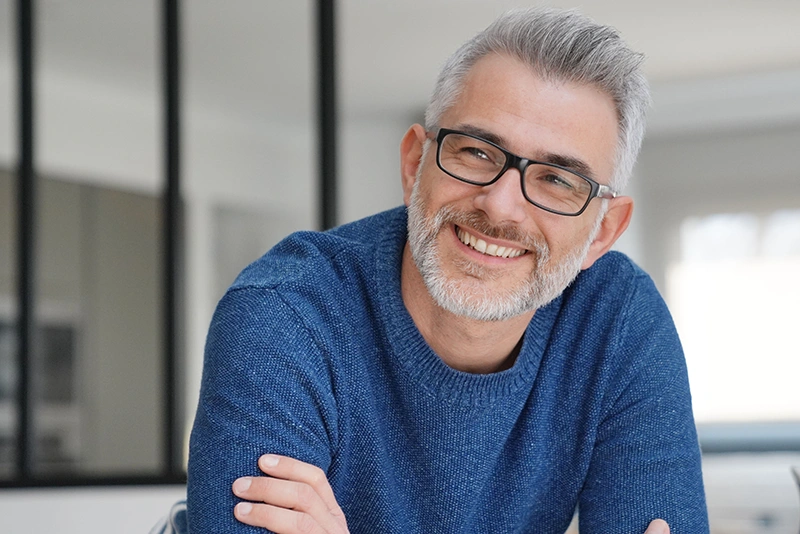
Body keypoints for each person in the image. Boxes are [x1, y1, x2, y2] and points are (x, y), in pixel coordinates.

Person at [187, 7, 708, 533]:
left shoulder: (618, 321)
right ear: (416, 164)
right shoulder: (284, 315)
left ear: (602, 231)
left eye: (557, 180)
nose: (501, 207)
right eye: (477, 151)